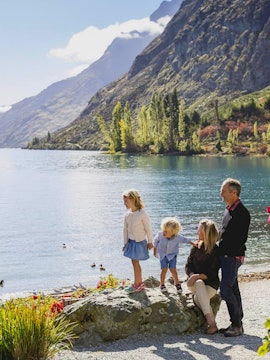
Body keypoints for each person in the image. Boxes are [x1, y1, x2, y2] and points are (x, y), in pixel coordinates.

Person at [218, 178, 250, 337]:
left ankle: (236, 324)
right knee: (233, 288)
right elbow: (224, 233)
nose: (221, 193)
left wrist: (226, 252)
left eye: (223, 191)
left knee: (225, 289)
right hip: (225, 255)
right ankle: (237, 324)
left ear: (234, 192)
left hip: (232, 256)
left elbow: (239, 239)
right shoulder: (229, 209)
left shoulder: (242, 213)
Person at [185, 219, 220, 334]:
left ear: (205, 232)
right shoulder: (196, 247)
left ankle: (211, 323)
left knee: (198, 298)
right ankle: (212, 323)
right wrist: (192, 276)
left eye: (199, 230)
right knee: (198, 283)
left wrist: (196, 277)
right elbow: (188, 265)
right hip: (194, 284)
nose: (197, 232)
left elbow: (211, 272)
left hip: (211, 285)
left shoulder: (216, 250)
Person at [122, 189, 153, 293]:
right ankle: (138, 283)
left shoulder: (142, 214)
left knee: (136, 262)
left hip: (140, 242)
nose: (125, 203)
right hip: (131, 242)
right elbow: (125, 230)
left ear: (132, 199)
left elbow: (148, 229)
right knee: (134, 262)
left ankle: (138, 283)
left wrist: (150, 241)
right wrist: (125, 243)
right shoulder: (127, 215)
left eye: (126, 201)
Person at [154, 217, 191, 294]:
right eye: (163, 230)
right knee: (164, 269)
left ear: (173, 232)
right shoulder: (160, 235)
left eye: (166, 231)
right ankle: (162, 284)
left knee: (173, 269)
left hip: (172, 255)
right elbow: (155, 242)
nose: (163, 232)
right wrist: (155, 251)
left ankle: (177, 284)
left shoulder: (177, 237)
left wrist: (193, 243)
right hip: (163, 255)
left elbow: (185, 240)